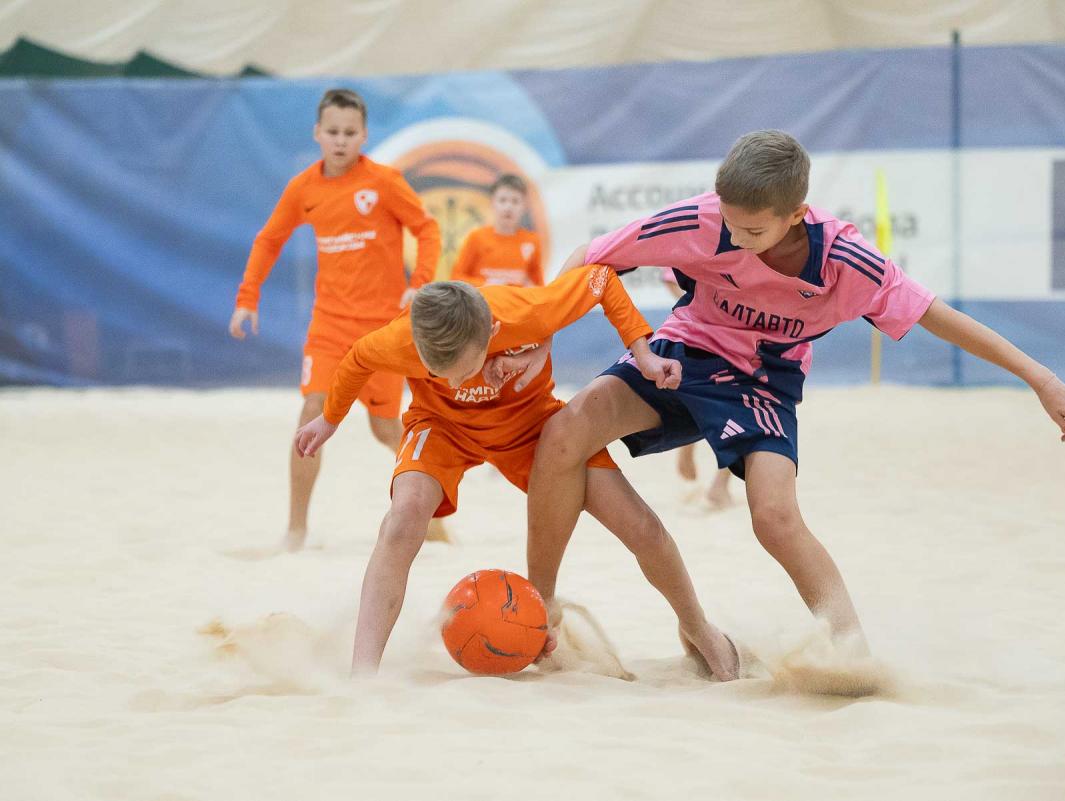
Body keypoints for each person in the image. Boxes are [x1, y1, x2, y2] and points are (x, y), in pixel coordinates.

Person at [526, 129, 1065, 652]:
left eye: (753, 232)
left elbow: (939, 317)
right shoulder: (703, 219)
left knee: (774, 518)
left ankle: (852, 653)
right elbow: (591, 259)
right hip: (686, 347)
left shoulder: (847, 262)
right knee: (563, 430)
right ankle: (541, 610)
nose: (735, 239)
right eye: (729, 223)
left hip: (763, 381)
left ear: (796, 214)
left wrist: (1042, 380)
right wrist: (536, 338)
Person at [293, 266, 738, 678]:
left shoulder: (526, 311)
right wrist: (330, 420)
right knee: (402, 518)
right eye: (438, 373)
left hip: (531, 427)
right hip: (442, 427)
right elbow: (357, 358)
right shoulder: (400, 339)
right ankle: (363, 673)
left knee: (640, 525)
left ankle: (697, 626)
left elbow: (601, 279)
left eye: (464, 370)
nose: (455, 383)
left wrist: (643, 353)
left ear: (490, 331)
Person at [228, 88, 442, 551]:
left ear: (363, 135)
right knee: (312, 412)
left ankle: (436, 515)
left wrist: (421, 281)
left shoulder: (384, 182)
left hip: (383, 330)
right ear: (317, 134)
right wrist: (248, 297)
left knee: (386, 429)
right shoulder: (304, 188)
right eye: (332, 132)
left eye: (349, 132)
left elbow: (427, 228)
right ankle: (296, 530)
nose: (340, 140)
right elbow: (269, 239)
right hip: (329, 327)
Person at [660, 268, 734, 509]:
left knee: (733, 410)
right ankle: (691, 451)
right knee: (735, 408)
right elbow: (670, 279)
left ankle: (718, 482)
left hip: (727, 334)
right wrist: (700, 307)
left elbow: (669, 279)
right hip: (705, 334)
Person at [450, 173, 544, 287]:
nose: (508, 207)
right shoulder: (477, 237)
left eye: (515, 201)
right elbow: (455, 277)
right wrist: (485, 284)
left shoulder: (532, 241)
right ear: (492, 203)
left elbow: (538, 286)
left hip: (515, 298)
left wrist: (529, 287)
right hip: (484, 297)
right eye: (502, 200)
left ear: (524, 206)